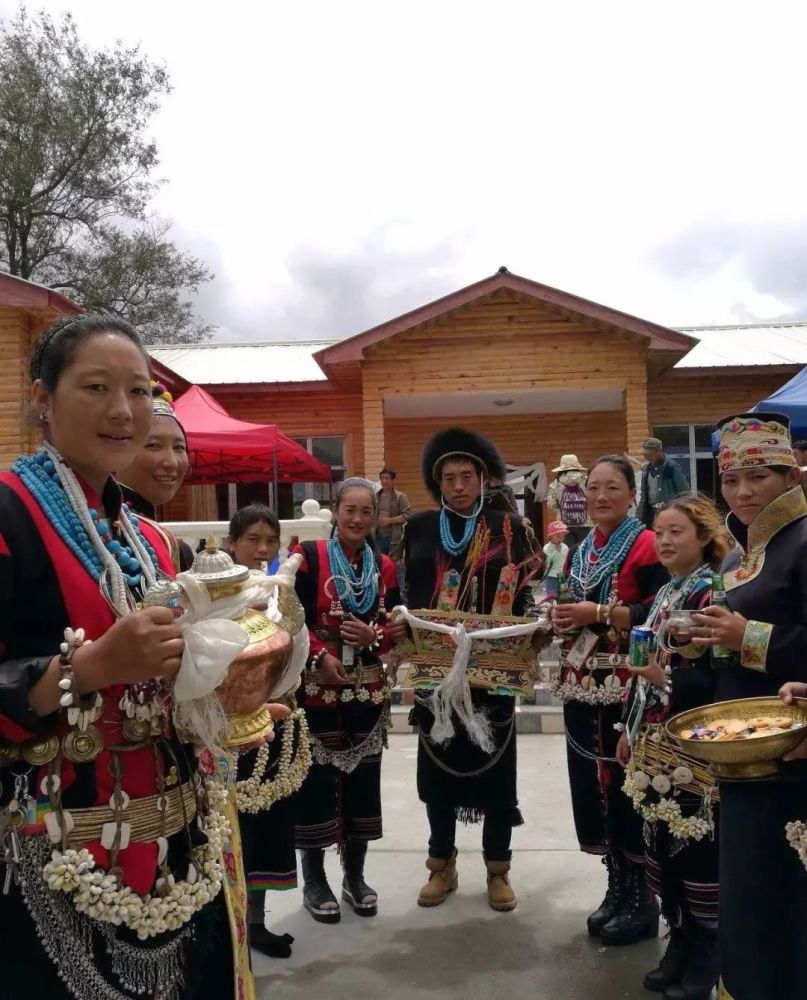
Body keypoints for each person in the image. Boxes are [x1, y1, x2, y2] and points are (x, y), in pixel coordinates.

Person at [0, 315, 249, 999]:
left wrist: (226, 694)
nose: (122, 410)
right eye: (96, 387)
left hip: (172, 843)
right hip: (53, 849)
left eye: (138, 391)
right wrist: (92, 668)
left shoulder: (147, 538)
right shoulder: (8, 513)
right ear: (42, 399)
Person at [689, 412, 807, 1000]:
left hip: (792, 756)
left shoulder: (804, 540)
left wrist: (748, 638)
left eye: (757, 477)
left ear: (790, 474)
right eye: (731, 480)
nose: (741, 492)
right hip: (744, 747)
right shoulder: (742, 553)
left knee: (775, 899)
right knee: (745, 890)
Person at [402, 428, 543, 913]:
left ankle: (498, 869)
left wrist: (530, 636)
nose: (458, 485)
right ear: (437, 483)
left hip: (494, 668)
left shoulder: (512, 527)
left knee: (495, 769)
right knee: (438, 765)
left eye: (467, 476)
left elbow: (528, 594)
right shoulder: (417, 528)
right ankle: (441, 864)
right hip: (435, 669)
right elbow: (407, 598)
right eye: (448, 478)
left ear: (483, 479)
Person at [551, 454, 668, 945]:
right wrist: (563, 619)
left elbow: (658, 611)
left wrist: (597, 611)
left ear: (632, 493)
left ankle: (642, 898)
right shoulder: (582, 548)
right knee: (594, 788)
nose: (600, 497)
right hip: (583, 684)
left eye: (612, 488)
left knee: (627, 788)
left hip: (627, 685)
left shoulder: (646, 544)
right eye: (592, 488)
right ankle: (615, 887)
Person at [617, 496, 729, 999]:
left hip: (692, 743)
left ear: (704, 537)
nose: (663, 540)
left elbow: (717, 677)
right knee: (662, 844)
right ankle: (679, 940)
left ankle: (709, 952)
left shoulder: (714, 593)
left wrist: (668, 681)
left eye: (676, 531)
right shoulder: (665, 592)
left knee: (697, 847)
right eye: (659, 531)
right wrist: (629, 728)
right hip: (653, 737)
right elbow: (642, 671)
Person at [292, 478, 401, 923]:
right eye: (350, 509)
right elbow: (288, 618)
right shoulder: (309, 558)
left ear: (376, 517)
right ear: (336, 510)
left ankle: (355, 877)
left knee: (362, 785)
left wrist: (374, 634)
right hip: (318, 688)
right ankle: (314, 881)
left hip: (367, 688)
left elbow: (394, 622)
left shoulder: (385, 566)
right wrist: (318, 654)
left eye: (366, 512)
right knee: (315, 785)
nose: (358, 519)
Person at [228, 503, 306, 959]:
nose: (262, 549)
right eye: (253, 539)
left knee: (268, 828)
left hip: (276, 727)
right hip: (230, 734)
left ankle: (255, 922)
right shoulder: (212, 591)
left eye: (270, 540)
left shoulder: (282, 590)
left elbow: (297, 648)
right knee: (233, 829)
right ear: (232, 542)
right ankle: (230, 923)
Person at [116, 380, 195, 570]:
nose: (171, 462)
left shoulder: (173, 547)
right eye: (153, 445)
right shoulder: (101, 538)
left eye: (179, 448)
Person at [637, 437, 690, 528]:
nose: (647, 457)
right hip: (649, 516)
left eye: (650, 454)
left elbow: (685, 494)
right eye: (645, 455)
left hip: (668, 514)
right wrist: (638, 518)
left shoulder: (672, 468)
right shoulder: (646, 470)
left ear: (659, 451)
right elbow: (643, 497)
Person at [546, 454, 591, 547]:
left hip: (563, 525)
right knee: (585, 552)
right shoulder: (587, 481)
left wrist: (562, 508)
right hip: (585, 523)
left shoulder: (555, 484)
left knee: (567, 553)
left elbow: (551, 505)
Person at [375, 467, 411, 558]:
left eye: (387, 478)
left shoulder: (400, 497)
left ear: (392, 480)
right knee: (380, 565)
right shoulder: (375, 497)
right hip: (377, 538)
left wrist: (389, 521)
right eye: (382, 478)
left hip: (394, 538)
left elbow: (407, 515)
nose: (384, 481)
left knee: (395, 566)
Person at [542, 519, 569, 600]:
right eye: (558, 535)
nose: (561, 537)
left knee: (564, 597)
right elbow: (548, 561)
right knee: (551, 596)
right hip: (551, 575)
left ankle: (561, 611)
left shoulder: (565, 546)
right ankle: (551, 610)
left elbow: (566, 560)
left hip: (562, 575)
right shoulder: (547, 547)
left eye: (563, 535)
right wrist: (555, 551)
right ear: (551, 536)